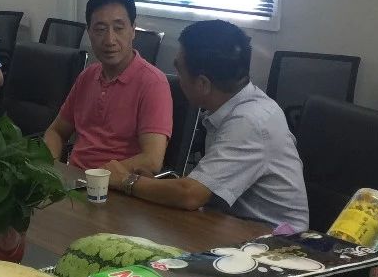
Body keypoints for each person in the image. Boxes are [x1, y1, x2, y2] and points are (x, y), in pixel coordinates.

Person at [107, 20, 308, 230]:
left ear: (203, 84)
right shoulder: (232, 107)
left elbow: (190, 195)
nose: (178, 79)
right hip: (233, 225)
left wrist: (126, 180)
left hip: (278, 241)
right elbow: (201, 187)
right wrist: (153, 185)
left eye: (180, 70)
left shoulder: (249, 121)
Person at [43, 0, 171, 173]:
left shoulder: (153, 83)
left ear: (133, 30)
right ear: (89, 32)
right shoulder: (87, 76)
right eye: (100, 30)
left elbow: (151, 160)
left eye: (119, 28)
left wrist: (96, 178)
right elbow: (56, 131)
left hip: (117, 185)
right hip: (74, 180)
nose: (110, 40)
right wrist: (51, 168)